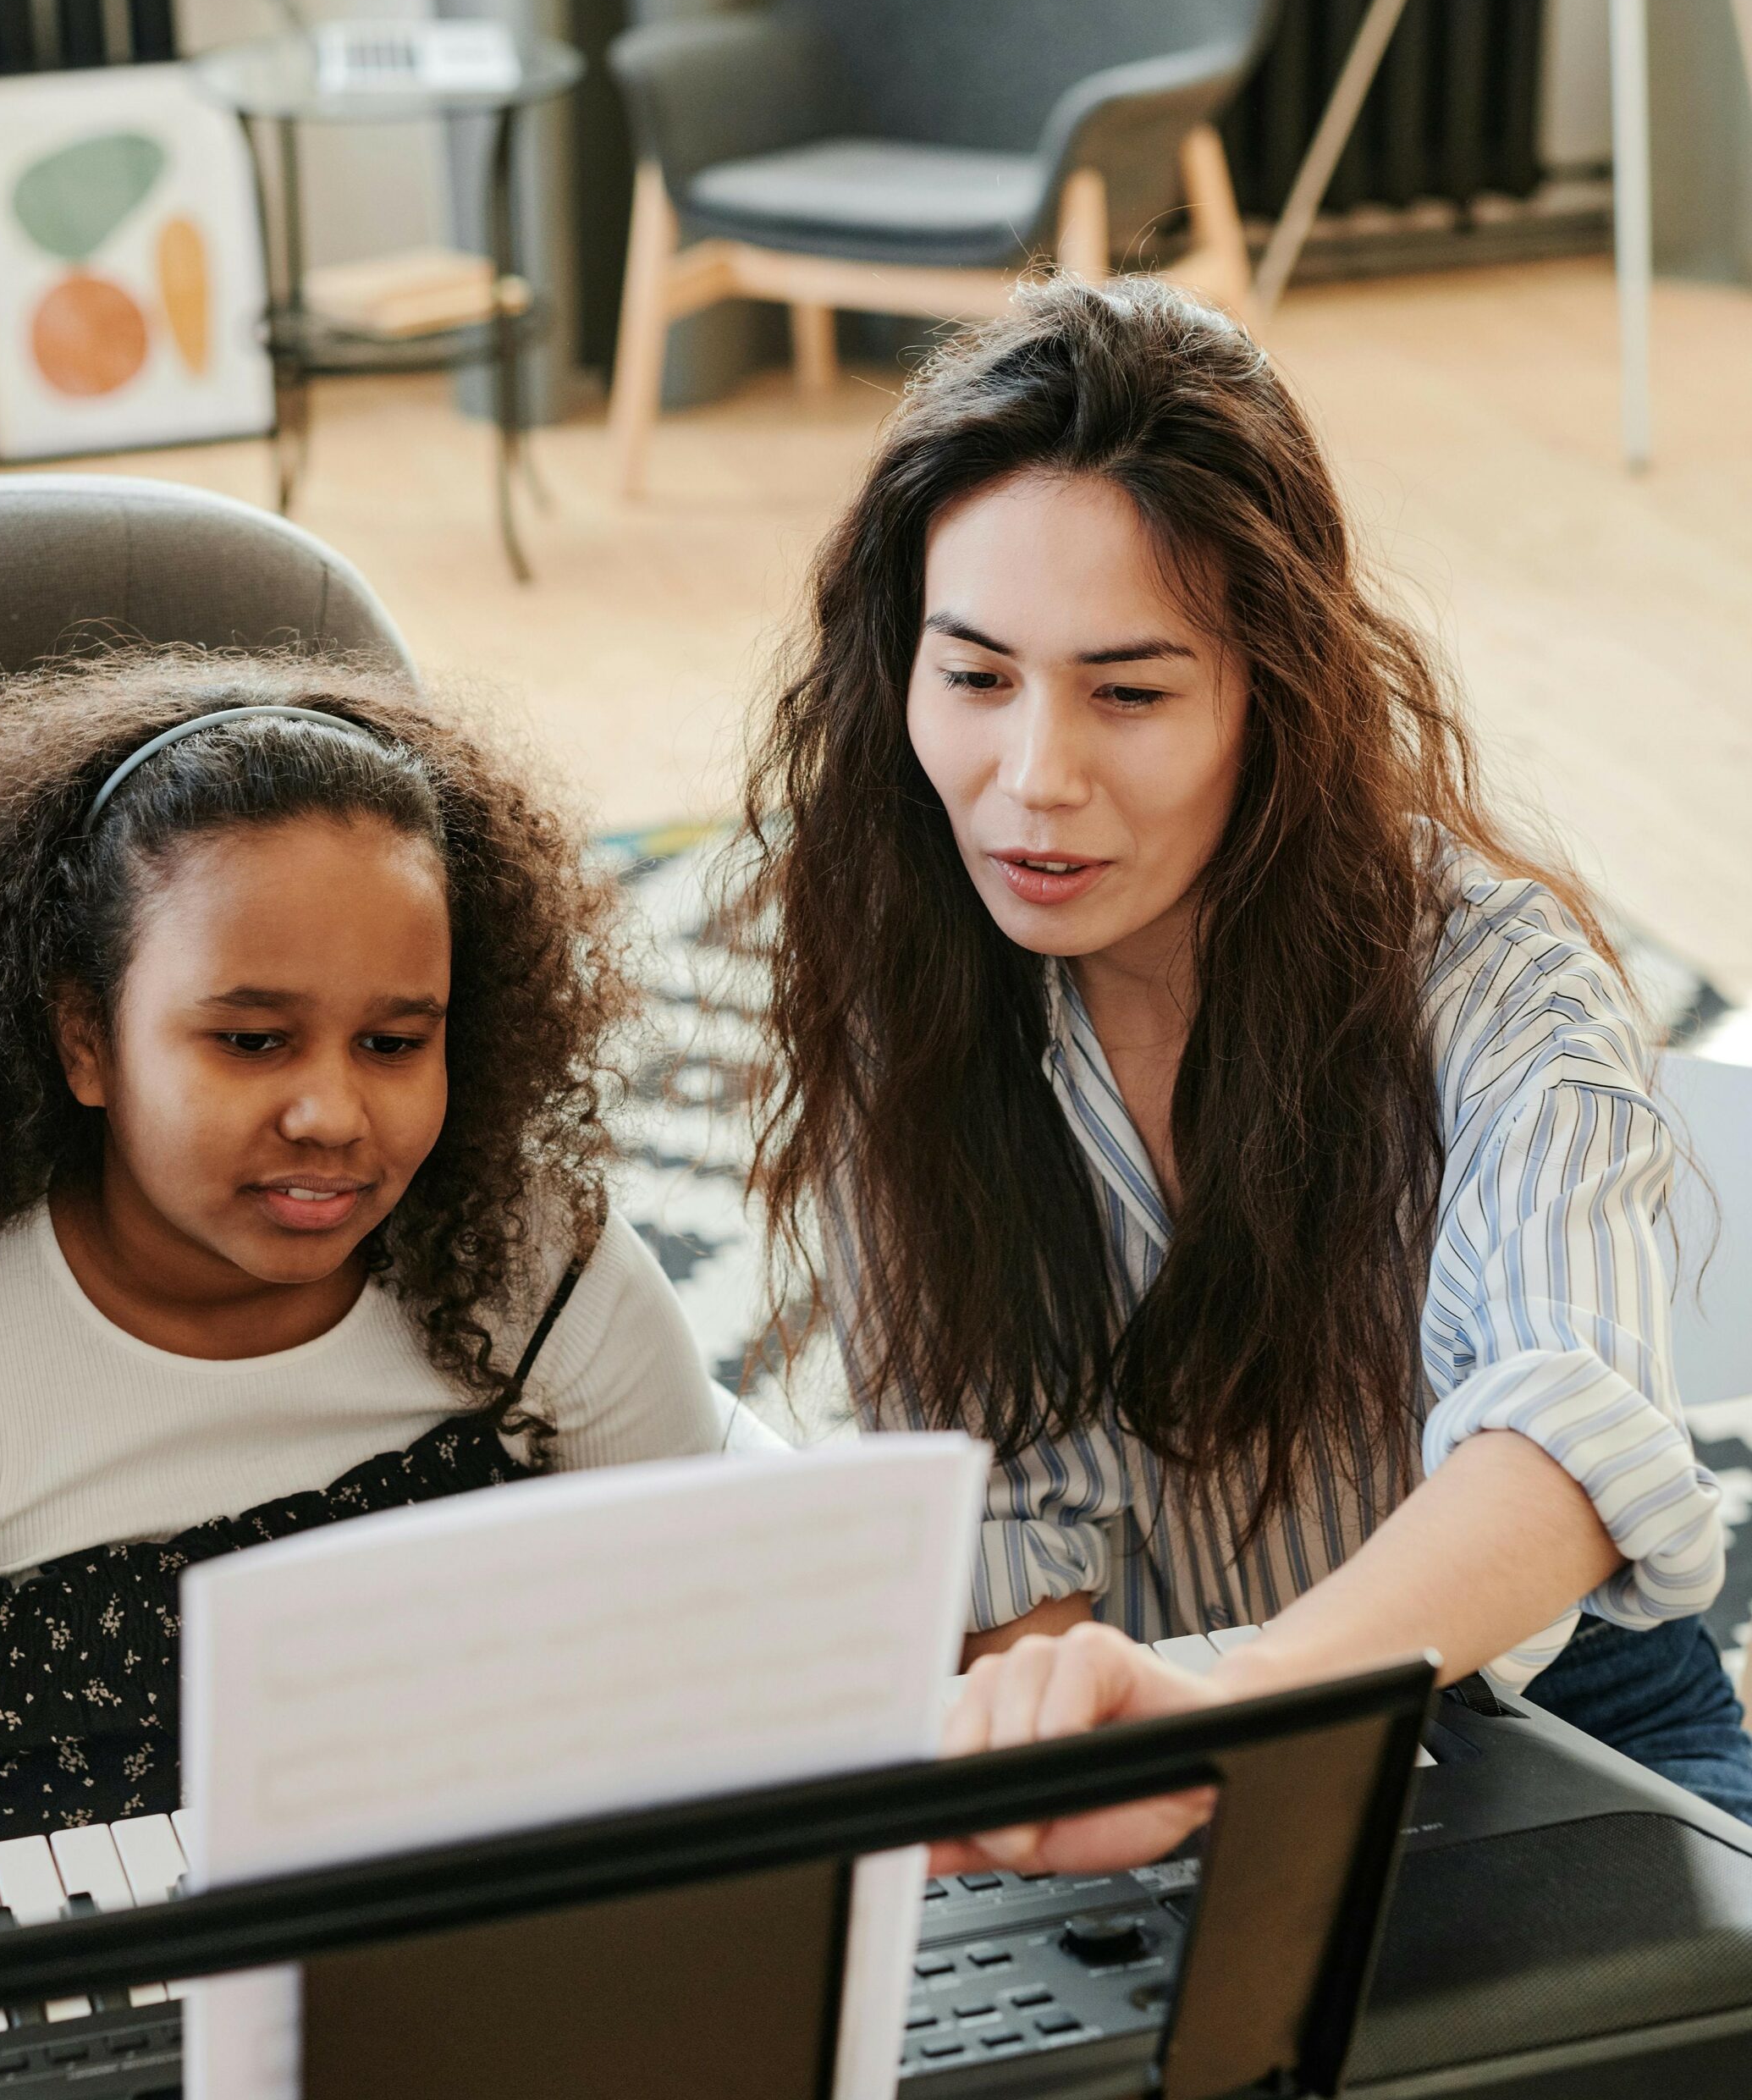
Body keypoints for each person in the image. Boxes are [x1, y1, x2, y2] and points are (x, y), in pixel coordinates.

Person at [743, 273, 1749, 1870]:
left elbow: (1568, 1429)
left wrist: (1242, 1717)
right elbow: (1011, 1536)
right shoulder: (907, 987)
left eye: (1131, 692)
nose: (1033, 784)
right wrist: (1063, 1751)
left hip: (1539, 1714)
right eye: (976, 676)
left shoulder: (1492, 981)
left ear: (1270, 698)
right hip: (1162, 1715)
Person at [0, 649, 732, 1893]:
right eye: (251, 1040)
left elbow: (716, 1666)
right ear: (86, 1040)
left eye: (395, 1042)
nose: (334, 1112)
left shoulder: (532, 1265)